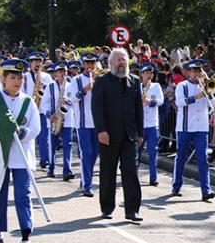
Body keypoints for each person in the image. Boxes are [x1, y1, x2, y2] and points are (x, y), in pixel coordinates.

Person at [0, 59, 41, 243]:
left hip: (21, 156)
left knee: (23, 196)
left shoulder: (28, 102)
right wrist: (2, 131)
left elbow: (36, 128)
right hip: (1, 154)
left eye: (20, 78)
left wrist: (23, 132)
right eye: (13, 77)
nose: (17, 81)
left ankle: (25, 236)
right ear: (3, 79)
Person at [92, 47, 144, 221]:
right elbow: (97, 108)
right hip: (109, 135)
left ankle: (132, 210)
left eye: (124, 59)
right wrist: (101, 130)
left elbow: (139, 109)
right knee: (108, 172)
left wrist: (140, 132)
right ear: (111, 63)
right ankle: (107, 207)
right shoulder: (102, 81)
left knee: (131, 172)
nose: (122, 63)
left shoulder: (135, 81)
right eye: (119, 60)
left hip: (129, 135)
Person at [172, 59, 215, 199]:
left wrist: (208, 91)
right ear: (189, 72)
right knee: (181, 157)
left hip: (201, 128)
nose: (197, 73)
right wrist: (196, 96)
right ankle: (176, 186)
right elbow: (179, 102)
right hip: (185, 127)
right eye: (195, 71)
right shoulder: (182, 85)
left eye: (200, 71)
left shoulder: (205, 85)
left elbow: (214, 104)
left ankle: (206, 190)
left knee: (202, 159)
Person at [70, 53, 100, 197]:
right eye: (87, 63)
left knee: (94, 153)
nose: (89, 66)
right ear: (83, 64)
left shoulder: (100, 79)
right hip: (82, 122)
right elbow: (71, 98)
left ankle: (85, 178)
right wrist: (84, 90)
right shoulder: (76, 80)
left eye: (92, 63)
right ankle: (87, 185)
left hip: (97, 123)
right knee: (86, 153)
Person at [45, 63, 74, 179]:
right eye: (60, 71)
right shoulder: (50, 86)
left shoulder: (71, 86)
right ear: (56, 73)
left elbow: (75, 101)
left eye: (65, 71)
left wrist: (67, 101)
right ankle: (50, 168)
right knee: (52, 145)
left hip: (67, 120)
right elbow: (45, 102)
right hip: (54, 120)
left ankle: (67, 170)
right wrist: (49, 115)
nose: (63, 73)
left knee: (68, 145)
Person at [137, 62, 164, 186]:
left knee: (153, 152)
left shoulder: (156, 86)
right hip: (140, 124)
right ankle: (132, 175)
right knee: (137, 151)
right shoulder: (137, 87)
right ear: (141, 74)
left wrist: (149, 102)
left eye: (150, 73)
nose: (148, 75)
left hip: (152, 124)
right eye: (146, 73)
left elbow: (160, 101)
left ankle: (153, 177)